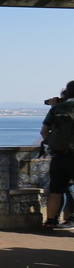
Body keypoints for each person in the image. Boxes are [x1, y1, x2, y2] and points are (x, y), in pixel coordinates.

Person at [41, 80, 74, 229]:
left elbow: (43, 131)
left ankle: (50, 221)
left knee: (55, 189)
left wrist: (51, 143)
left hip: (59, 156)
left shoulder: (57, 108)